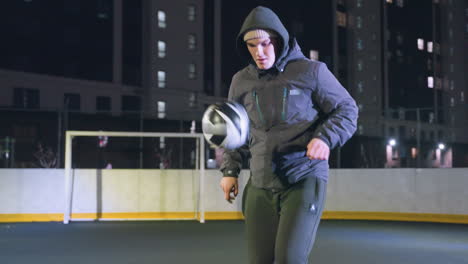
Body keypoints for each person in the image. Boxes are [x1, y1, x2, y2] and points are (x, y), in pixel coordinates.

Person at [219, 6, 359, 264]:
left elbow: (347, 110)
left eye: (265, 43)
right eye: (251, 46)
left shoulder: (311, 71)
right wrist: (230, 171)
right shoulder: (241, 81)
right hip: (260, 183)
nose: (259, 53)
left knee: (289, 259)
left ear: (279, 40)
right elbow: (234, 131)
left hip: (303, 178)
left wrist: (324, 138)